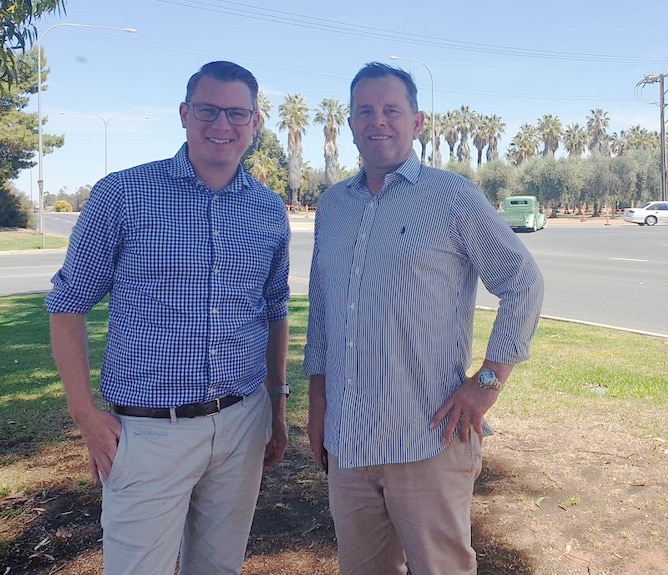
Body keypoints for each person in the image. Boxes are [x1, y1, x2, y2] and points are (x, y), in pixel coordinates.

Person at [45, 61, 290, 575]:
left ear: (255, 122)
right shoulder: (123, 195)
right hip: (148, 434)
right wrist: (85, 414)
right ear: (184, 114)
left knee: (219, 568)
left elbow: (273, 309)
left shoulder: (268, 210)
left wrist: (276, 408)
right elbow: (67, 304)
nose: (221, 125)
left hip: (243, 422)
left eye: (236, 113)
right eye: (207, 110)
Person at [303, 62, 544, 575]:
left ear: (417, 122)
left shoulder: (452, 197)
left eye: (392, 110)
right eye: (365, 111)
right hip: (349, 443)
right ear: (349, 124)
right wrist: (318, 406)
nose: (378, 121)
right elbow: (322, 314)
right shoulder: (333, 205)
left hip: (428, 441)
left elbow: (522, 281)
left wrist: (487, 381)